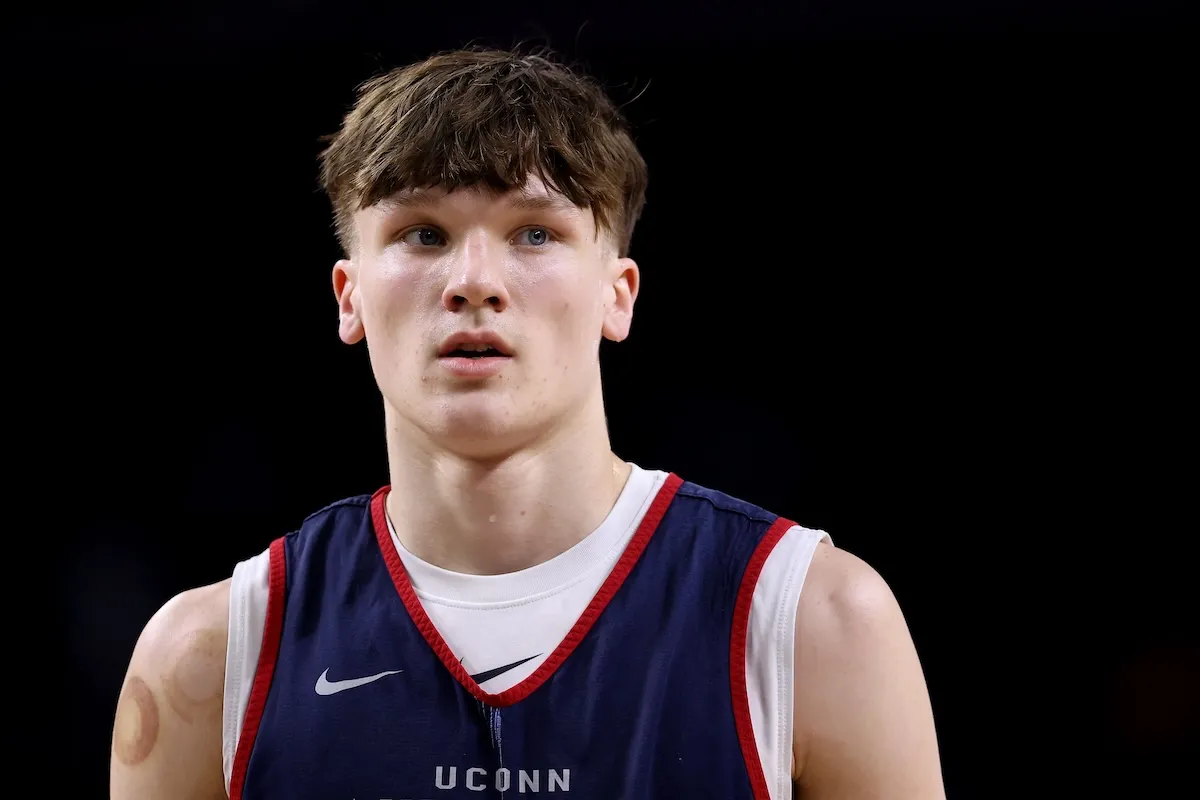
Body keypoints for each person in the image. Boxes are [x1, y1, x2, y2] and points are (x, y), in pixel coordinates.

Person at [109, 47, 945, 800]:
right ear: (349, 296)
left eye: (535, 232)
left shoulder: (815, 621)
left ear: (617, 295)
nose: (474, 280)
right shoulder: (210, 655)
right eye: (422, 233)